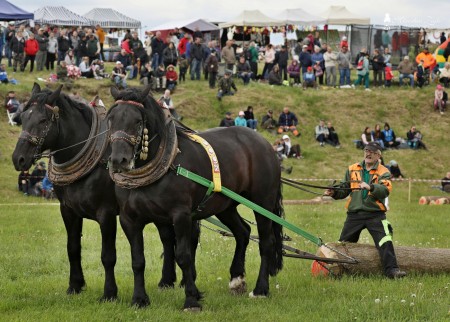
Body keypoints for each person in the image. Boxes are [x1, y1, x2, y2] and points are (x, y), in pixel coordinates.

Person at [324, 141, 407, 279]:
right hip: (354, 214)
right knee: (343, 244)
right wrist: (334, 192)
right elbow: (344, 189)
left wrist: (371, 187)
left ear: (378, 155)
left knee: (385, 241)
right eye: (366, 150)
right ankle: (337, 271)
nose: (368, 153)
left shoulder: (384, 171)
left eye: (372, 152)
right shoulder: (352, 169)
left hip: (375, 214)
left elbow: (385, 190)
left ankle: (392, 271)